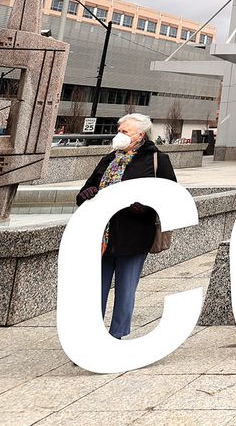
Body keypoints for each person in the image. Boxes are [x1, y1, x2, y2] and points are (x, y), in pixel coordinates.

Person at [75, 113, 177, 339]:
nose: (120, 135)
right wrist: (87, 194)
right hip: (102, 235)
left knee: (125, 288)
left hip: (134, 233)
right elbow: (84, 191)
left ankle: (116, 335)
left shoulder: (156, 159)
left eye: (125, 131)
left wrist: (146, 209)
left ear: (140, 134)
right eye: (119, 131)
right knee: (95, 288)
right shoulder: (108, 159)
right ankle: (90, 335)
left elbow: (170, 196)